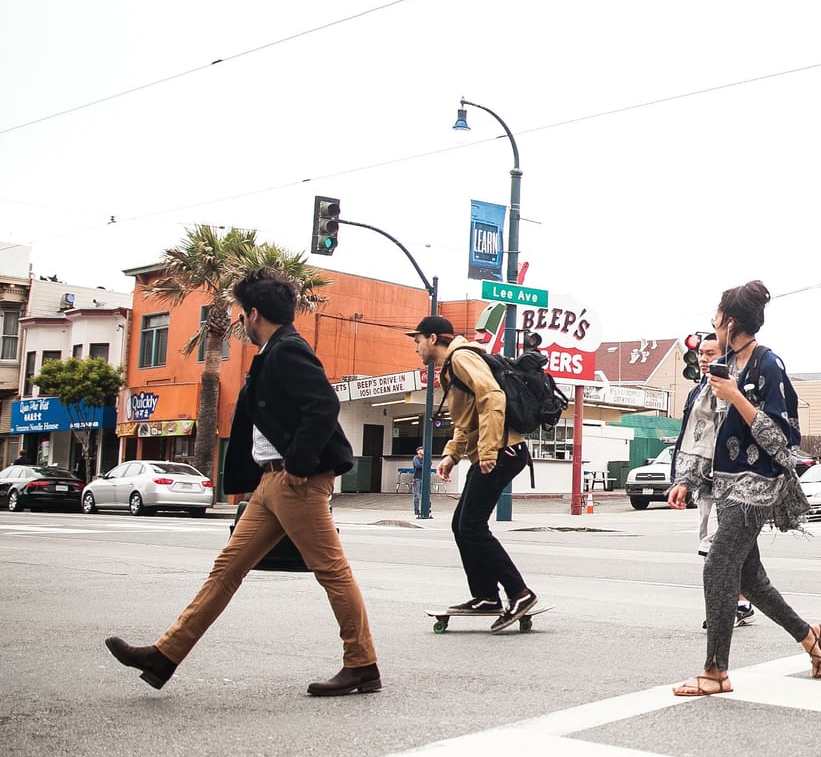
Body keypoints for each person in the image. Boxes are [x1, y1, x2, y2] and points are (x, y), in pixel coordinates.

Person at [105, 269, 380, 696]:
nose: (240, 323)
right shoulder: (273, 352)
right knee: (226, 569)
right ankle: (164, 655)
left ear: (254, 314)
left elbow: (323, 405)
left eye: (241, 315)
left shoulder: (288, 350)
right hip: (271, 485)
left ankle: (362, 665)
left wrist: (300, 463)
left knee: (331, 571)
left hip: (295, 482)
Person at [667, 281, 821, 696]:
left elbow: (782, 438)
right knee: (750, 579)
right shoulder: (720, 365)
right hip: (723, 487)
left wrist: (737, 396)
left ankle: (715, 671)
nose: (714, 327)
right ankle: (808, 634)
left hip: (757, 486)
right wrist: (686, 479)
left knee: (718, 566)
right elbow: (704, 427)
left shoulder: (767, 364)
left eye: (717, 320)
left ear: (730, 321)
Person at [409, 314, 540, 632]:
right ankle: (485, 596)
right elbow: (468, 418)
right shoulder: (453, 366)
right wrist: (451, 456)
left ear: (434, 338)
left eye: (418, 340)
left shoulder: (462, 357)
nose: (416, 347)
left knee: (471, 526)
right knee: (462, 525)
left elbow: (492, 398)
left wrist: (488, 451)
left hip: (503, 451)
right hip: (495, 451)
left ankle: (519, 593)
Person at [672, 332, 752, 626]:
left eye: (710, 353)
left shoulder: (733, 389)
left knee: (717, 550)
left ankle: (724, 608)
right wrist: (683, 480)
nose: (704, 359)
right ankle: (739, 602)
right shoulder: (698, 392)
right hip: (706, 483)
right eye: (701, 354)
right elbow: (691, 439)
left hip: (732, 485)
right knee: (728, 552)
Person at [409, 447, 427, 516]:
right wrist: (425, 465)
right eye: (422, 450)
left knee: (425, 494)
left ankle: (427, 508)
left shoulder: (425, 458)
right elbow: (417, 465)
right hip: (417, 478)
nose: (423, 451)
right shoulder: (416, 458)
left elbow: (430, 463)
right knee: (416, 495)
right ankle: (416, 509)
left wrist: (424, 464)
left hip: (424, 478)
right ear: (418, 451)